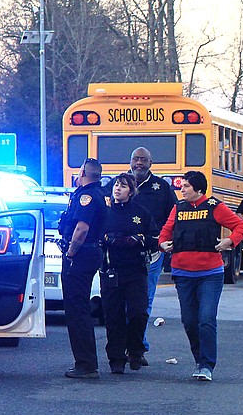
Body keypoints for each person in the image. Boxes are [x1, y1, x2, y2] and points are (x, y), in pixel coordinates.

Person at [158, 171, 243, 382]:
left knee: (206, 319)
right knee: (189, 321)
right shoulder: (178, 208)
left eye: (187, 186)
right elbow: (165, 231)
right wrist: (162, 244)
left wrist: (229, 242)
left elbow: (240, 225)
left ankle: (207, 365)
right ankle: (199, 360)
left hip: (210, 274)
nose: (182, 189)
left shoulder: (215, 207)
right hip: (182, 273)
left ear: (198, 189)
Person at [100, 173, 159, 374]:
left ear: (131, 191)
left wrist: (138, 239)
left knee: (137, 312)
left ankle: (135, 351)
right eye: (116, 185)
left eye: (123, 186)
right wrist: (107, 239)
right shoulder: (105, 212)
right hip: (111, 270)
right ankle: (116, 357)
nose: (118, 189)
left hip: (136, 270)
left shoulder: (141, 213)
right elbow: (95, 236)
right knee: (113, 315)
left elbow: (155, 238)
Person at [60, 158, 110, 379]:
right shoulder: (98, 194)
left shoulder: (86, 196)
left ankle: (86, 364)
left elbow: (81, 229)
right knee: (78, 308)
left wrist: (70, 253)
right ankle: (86, 362)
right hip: (90, 253)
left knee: (76, 309)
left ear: (82, 172)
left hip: (81, 255)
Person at [129, 147, 178, 365]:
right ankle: (124, 345)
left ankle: (138, 346)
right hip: (122, 253)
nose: (139, 163)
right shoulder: (119, 185)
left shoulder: (162, 188)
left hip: (152, 253)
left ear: (151, 163)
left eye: (143, 160)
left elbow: (175, 215)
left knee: (144, 300)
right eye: (135, 159)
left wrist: (166, 242)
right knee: (121, 303)